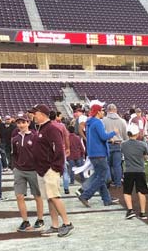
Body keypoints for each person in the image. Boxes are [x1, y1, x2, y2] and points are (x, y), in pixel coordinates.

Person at [32, 104, 74, 237]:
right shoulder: (42, 128)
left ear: (42, 114)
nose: (33, 116)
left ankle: (67, 223)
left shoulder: (51, 128)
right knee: (50, 198)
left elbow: (59, 150)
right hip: (43, 169)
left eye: (35, 113)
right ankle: (55, 225)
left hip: (50, 169)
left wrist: (55, 167)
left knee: (54, 197)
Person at [77, 101, 118, 208]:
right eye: (102, 111)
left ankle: (107, 199)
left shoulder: (90, 122)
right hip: (99, 153)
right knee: (102, 177)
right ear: (98, 112)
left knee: (101, 176)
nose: (103, 112)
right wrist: (114, 132)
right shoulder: (98, 122)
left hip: (93, 153)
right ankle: (85, 195)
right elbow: (103, 136)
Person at [11, 115, 45, 232]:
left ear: (28, 122)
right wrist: (15, 167)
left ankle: (40, 219)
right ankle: (25, 221)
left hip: (33, 170)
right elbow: (14, 154)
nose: (21, 125)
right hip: (19, 170)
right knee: (19, 196)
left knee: (37, 196)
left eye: (23, 122)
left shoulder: (35, 136)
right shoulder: (14, 139)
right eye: (18, 123)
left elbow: (41, 153)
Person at [121, 123, 148, 220]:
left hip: (128, 170)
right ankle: (143, 212)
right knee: (141, 191)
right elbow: (146, 157)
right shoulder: (143, 144)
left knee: (127, 191)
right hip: (140, 170)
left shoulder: (123, 145)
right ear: (137, 134)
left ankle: (130, 210)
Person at [103, 104, 128, 188]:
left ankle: (109, 181)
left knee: (107, 164)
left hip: (107, 144)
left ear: (107, 110)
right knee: (117, 165)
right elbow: (125, 135)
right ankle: (118, 183)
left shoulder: (103, 120)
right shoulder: (122, 121)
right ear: (116, 110)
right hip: (118, 144)